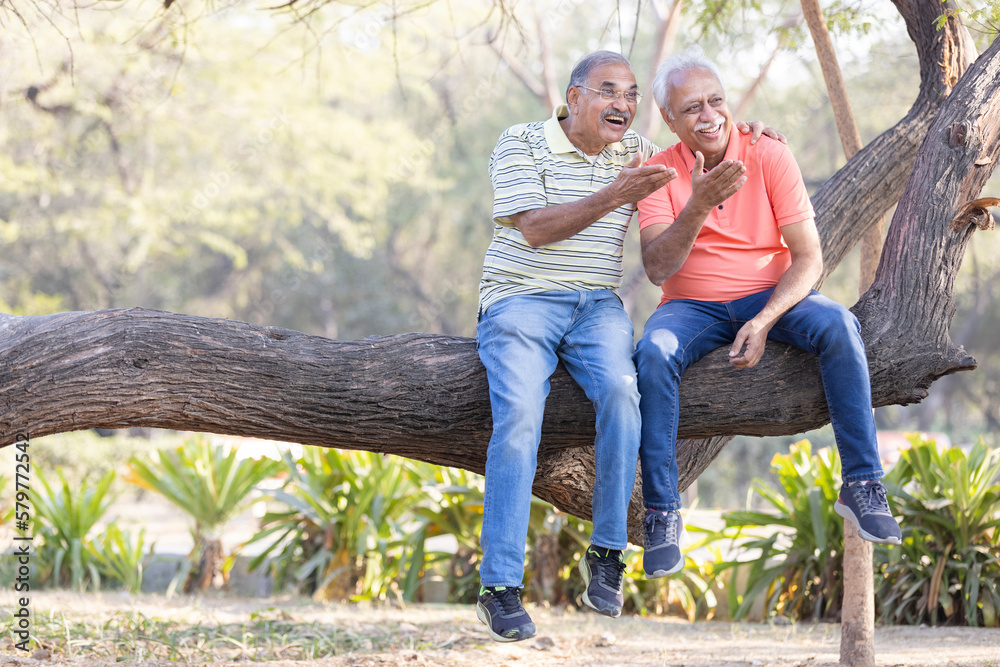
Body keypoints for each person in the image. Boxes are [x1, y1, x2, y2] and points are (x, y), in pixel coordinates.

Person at [475, 49, 775, 643]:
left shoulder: (638, 153)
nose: (623, 104)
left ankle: (607, 554)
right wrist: (615, 195)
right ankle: (499, 587)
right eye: (609, 91)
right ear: (575, 97)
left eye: (632, 94)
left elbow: (711, 143)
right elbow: (534, 229)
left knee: (620, 392)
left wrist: (756, 138)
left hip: (596, 308)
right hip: (520, 299)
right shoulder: (520, 143)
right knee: (519, 420)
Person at [633, 45, 903, 581]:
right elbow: (658, 268)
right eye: (692, 108)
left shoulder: (768, 153)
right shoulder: (657, 172)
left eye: (716, 101)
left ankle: (863, 483)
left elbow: (809, 259)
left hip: (768, 294)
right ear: (669, 118)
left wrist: (765, 320)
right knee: (653, 353)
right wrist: (699, 202)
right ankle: (662, 514)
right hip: (690, 305)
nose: (709, 115)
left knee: (838, 324)